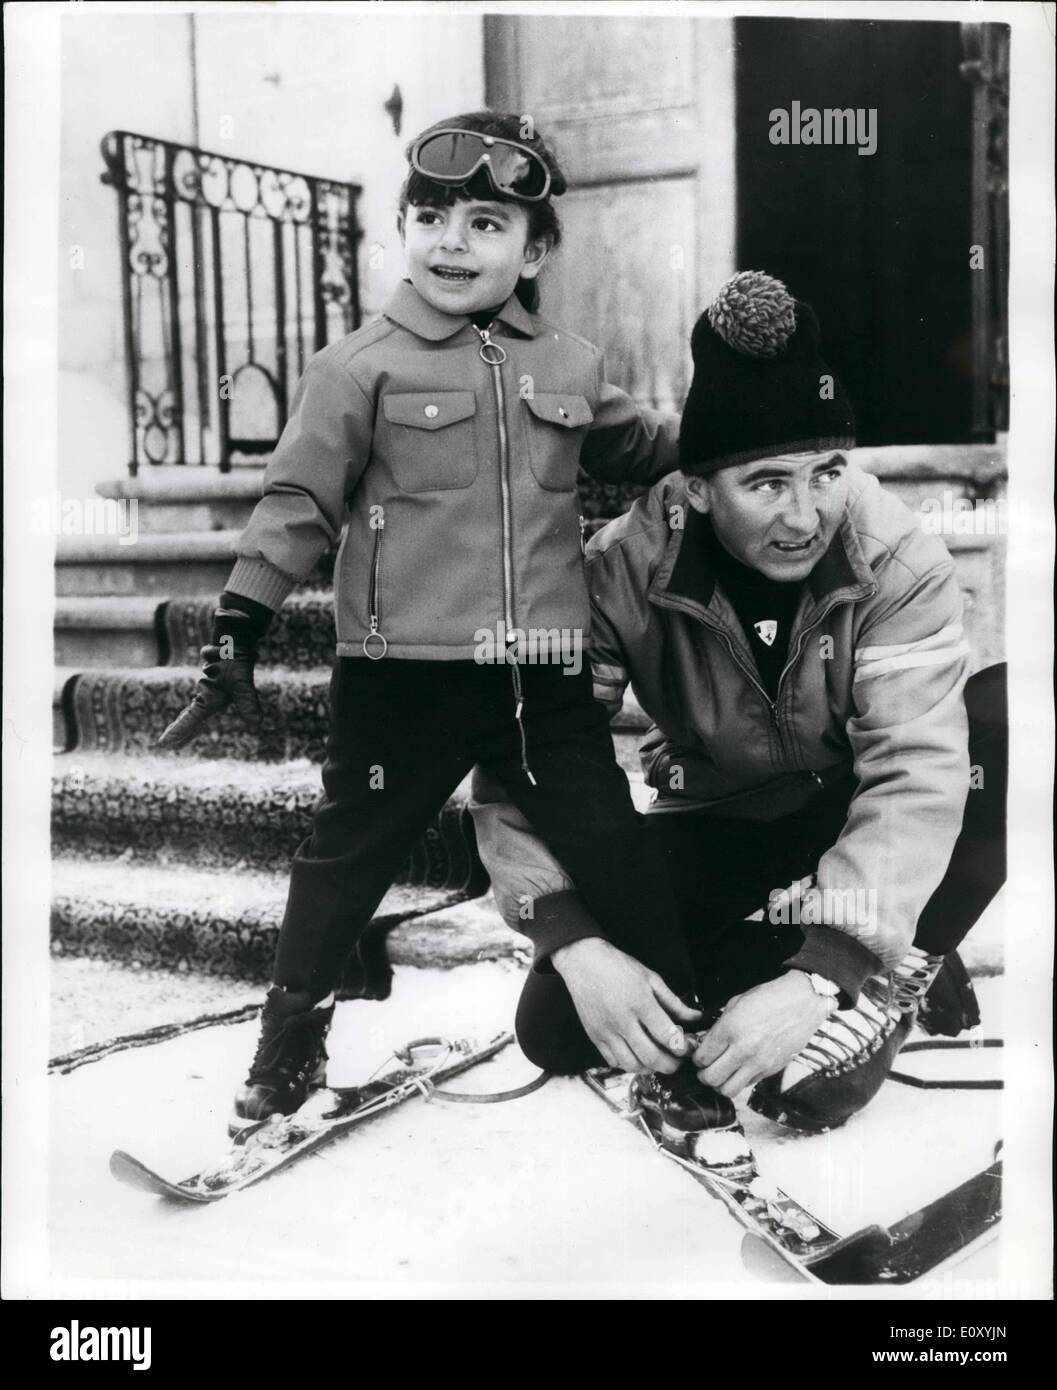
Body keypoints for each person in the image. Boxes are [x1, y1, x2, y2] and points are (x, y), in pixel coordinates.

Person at [158, 111, 712, 1132]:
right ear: (404, 229)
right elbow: (294, 505)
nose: (451, 240)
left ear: (535, 248)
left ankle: (679, 1055)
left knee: (617, 853)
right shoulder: (356, 367)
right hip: (399, 675)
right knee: (345, 861)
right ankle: (286, 1052)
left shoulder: (573, 365)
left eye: (485, 222)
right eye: (430, 216)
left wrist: (741, 426)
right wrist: (239, 623)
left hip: (542, 678)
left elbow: (647, 446)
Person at [471, 270, 1007, 1135]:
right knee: (558, 1027)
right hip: (720, 813)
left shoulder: (897, 558)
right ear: (695, 489)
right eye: (766, 484)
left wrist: (822, 972)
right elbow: (533, 755)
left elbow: (915, 772)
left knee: (1006, 721)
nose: (806, 515)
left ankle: (893, 963)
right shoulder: (617, 572)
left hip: (850, 804)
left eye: (827, 472)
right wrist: (574, 942)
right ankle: (812, 947)